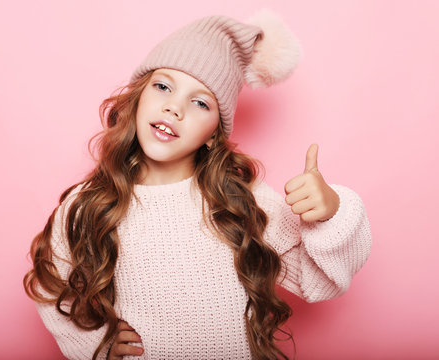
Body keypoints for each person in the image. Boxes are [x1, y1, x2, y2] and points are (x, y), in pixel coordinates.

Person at [23, 9, 372, 360]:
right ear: (138, 97)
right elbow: (52, 285)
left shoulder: (242, 202)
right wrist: (93, 344)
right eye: (162, 87)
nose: (174, 107)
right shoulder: (92, 203)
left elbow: (321, 283)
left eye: (200, 102)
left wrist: (330, 214)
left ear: (212, 134)